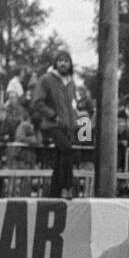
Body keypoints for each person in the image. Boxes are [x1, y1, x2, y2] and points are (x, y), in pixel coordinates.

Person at [31, 51, 79, 198]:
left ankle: (54, 192)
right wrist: (53, 115)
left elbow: (73, 105)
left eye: (66, 61)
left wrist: (74, 123)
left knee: (60, 158)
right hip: (52, 125)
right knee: (67, 150)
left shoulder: (71, 83)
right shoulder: (46, 79)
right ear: (55, 63)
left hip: (67, 127)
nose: (63, 63)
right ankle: (66, 187)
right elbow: (37, 102)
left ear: (70, 64)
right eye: (60, 60)